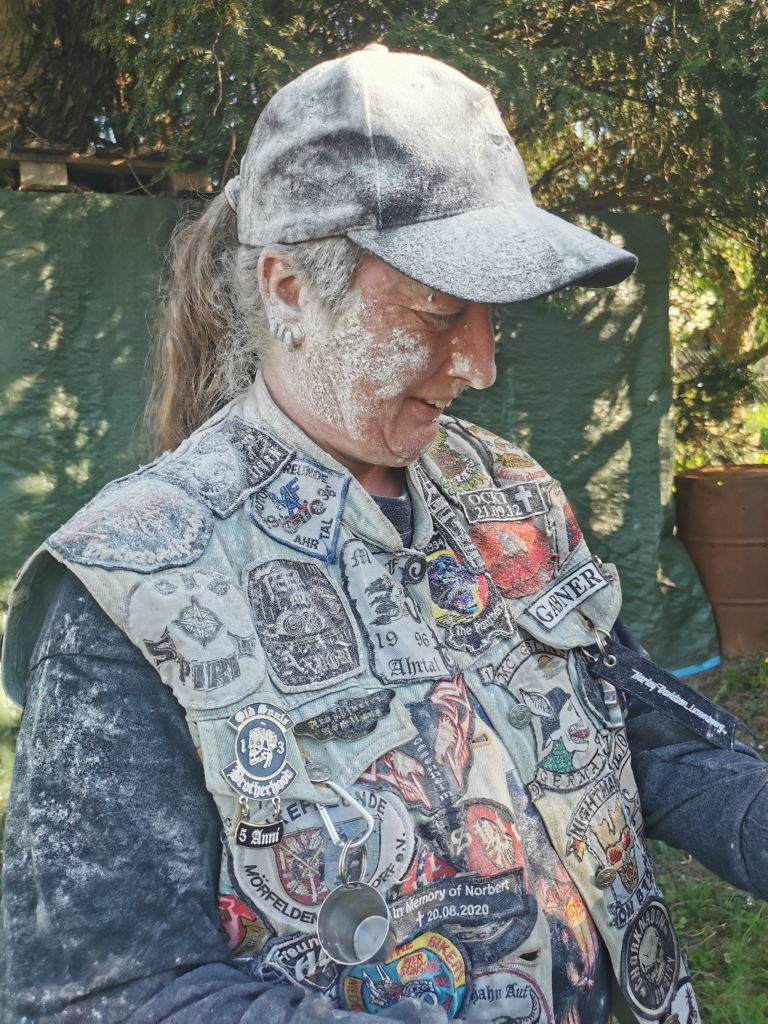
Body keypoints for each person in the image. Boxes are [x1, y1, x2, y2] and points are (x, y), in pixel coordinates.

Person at [1, 45, 766, 1024]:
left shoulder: (511, 495)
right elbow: (103, 992)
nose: (482, 363)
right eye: (439, 310)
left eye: (490, 311)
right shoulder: (126, 590)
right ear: (288, 290)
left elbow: (637, 740)